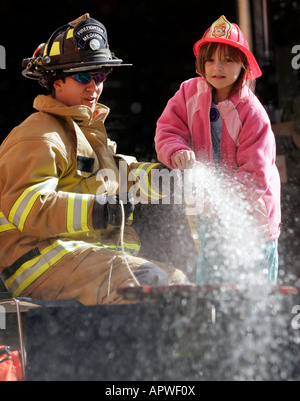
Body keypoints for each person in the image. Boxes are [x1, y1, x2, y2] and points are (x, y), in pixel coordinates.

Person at [0, 14, 186, 305]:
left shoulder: (84, 131)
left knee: (177, 285)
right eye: (83, 77)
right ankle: (119, 352)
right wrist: (98, 210)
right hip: (40, 261)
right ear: (55, 82)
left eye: (100, 75)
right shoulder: (38, 135)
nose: (94, 87)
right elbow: (28, 205)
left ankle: (159, 352)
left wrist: (168, 180)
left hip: (77, 255)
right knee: (145, 282)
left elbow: (119, 176)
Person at [155, 15, 281, 284]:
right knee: (210, 292)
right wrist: (176, 151)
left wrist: (219, 203)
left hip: (251, 224)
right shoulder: (189, 92)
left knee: (251, 297)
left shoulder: (252, 113)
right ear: (201, 64)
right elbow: (168, 130)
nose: (217, 67)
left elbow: (255, 175)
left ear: (243, 65)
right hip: (212, 218)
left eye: (228, 60)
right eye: (210, 59)